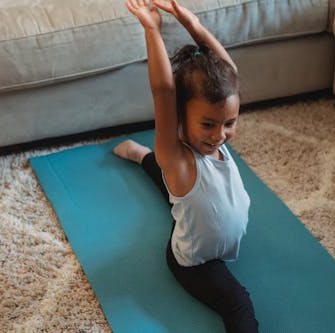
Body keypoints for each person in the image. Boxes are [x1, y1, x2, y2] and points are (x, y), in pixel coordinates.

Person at [114, 0, 259, 331]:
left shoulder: (214, 134)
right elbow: (164, 91)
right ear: (181, 117)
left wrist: (192, 22)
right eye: (208, 125)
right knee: (239, 304)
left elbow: (228, 73)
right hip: (195, 262)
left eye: (229, 123)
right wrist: (152, 30)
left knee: (175, 194)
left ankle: (139, 155)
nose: (220, 135)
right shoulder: (177, 156)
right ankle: (142, 156)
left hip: (197, 212)